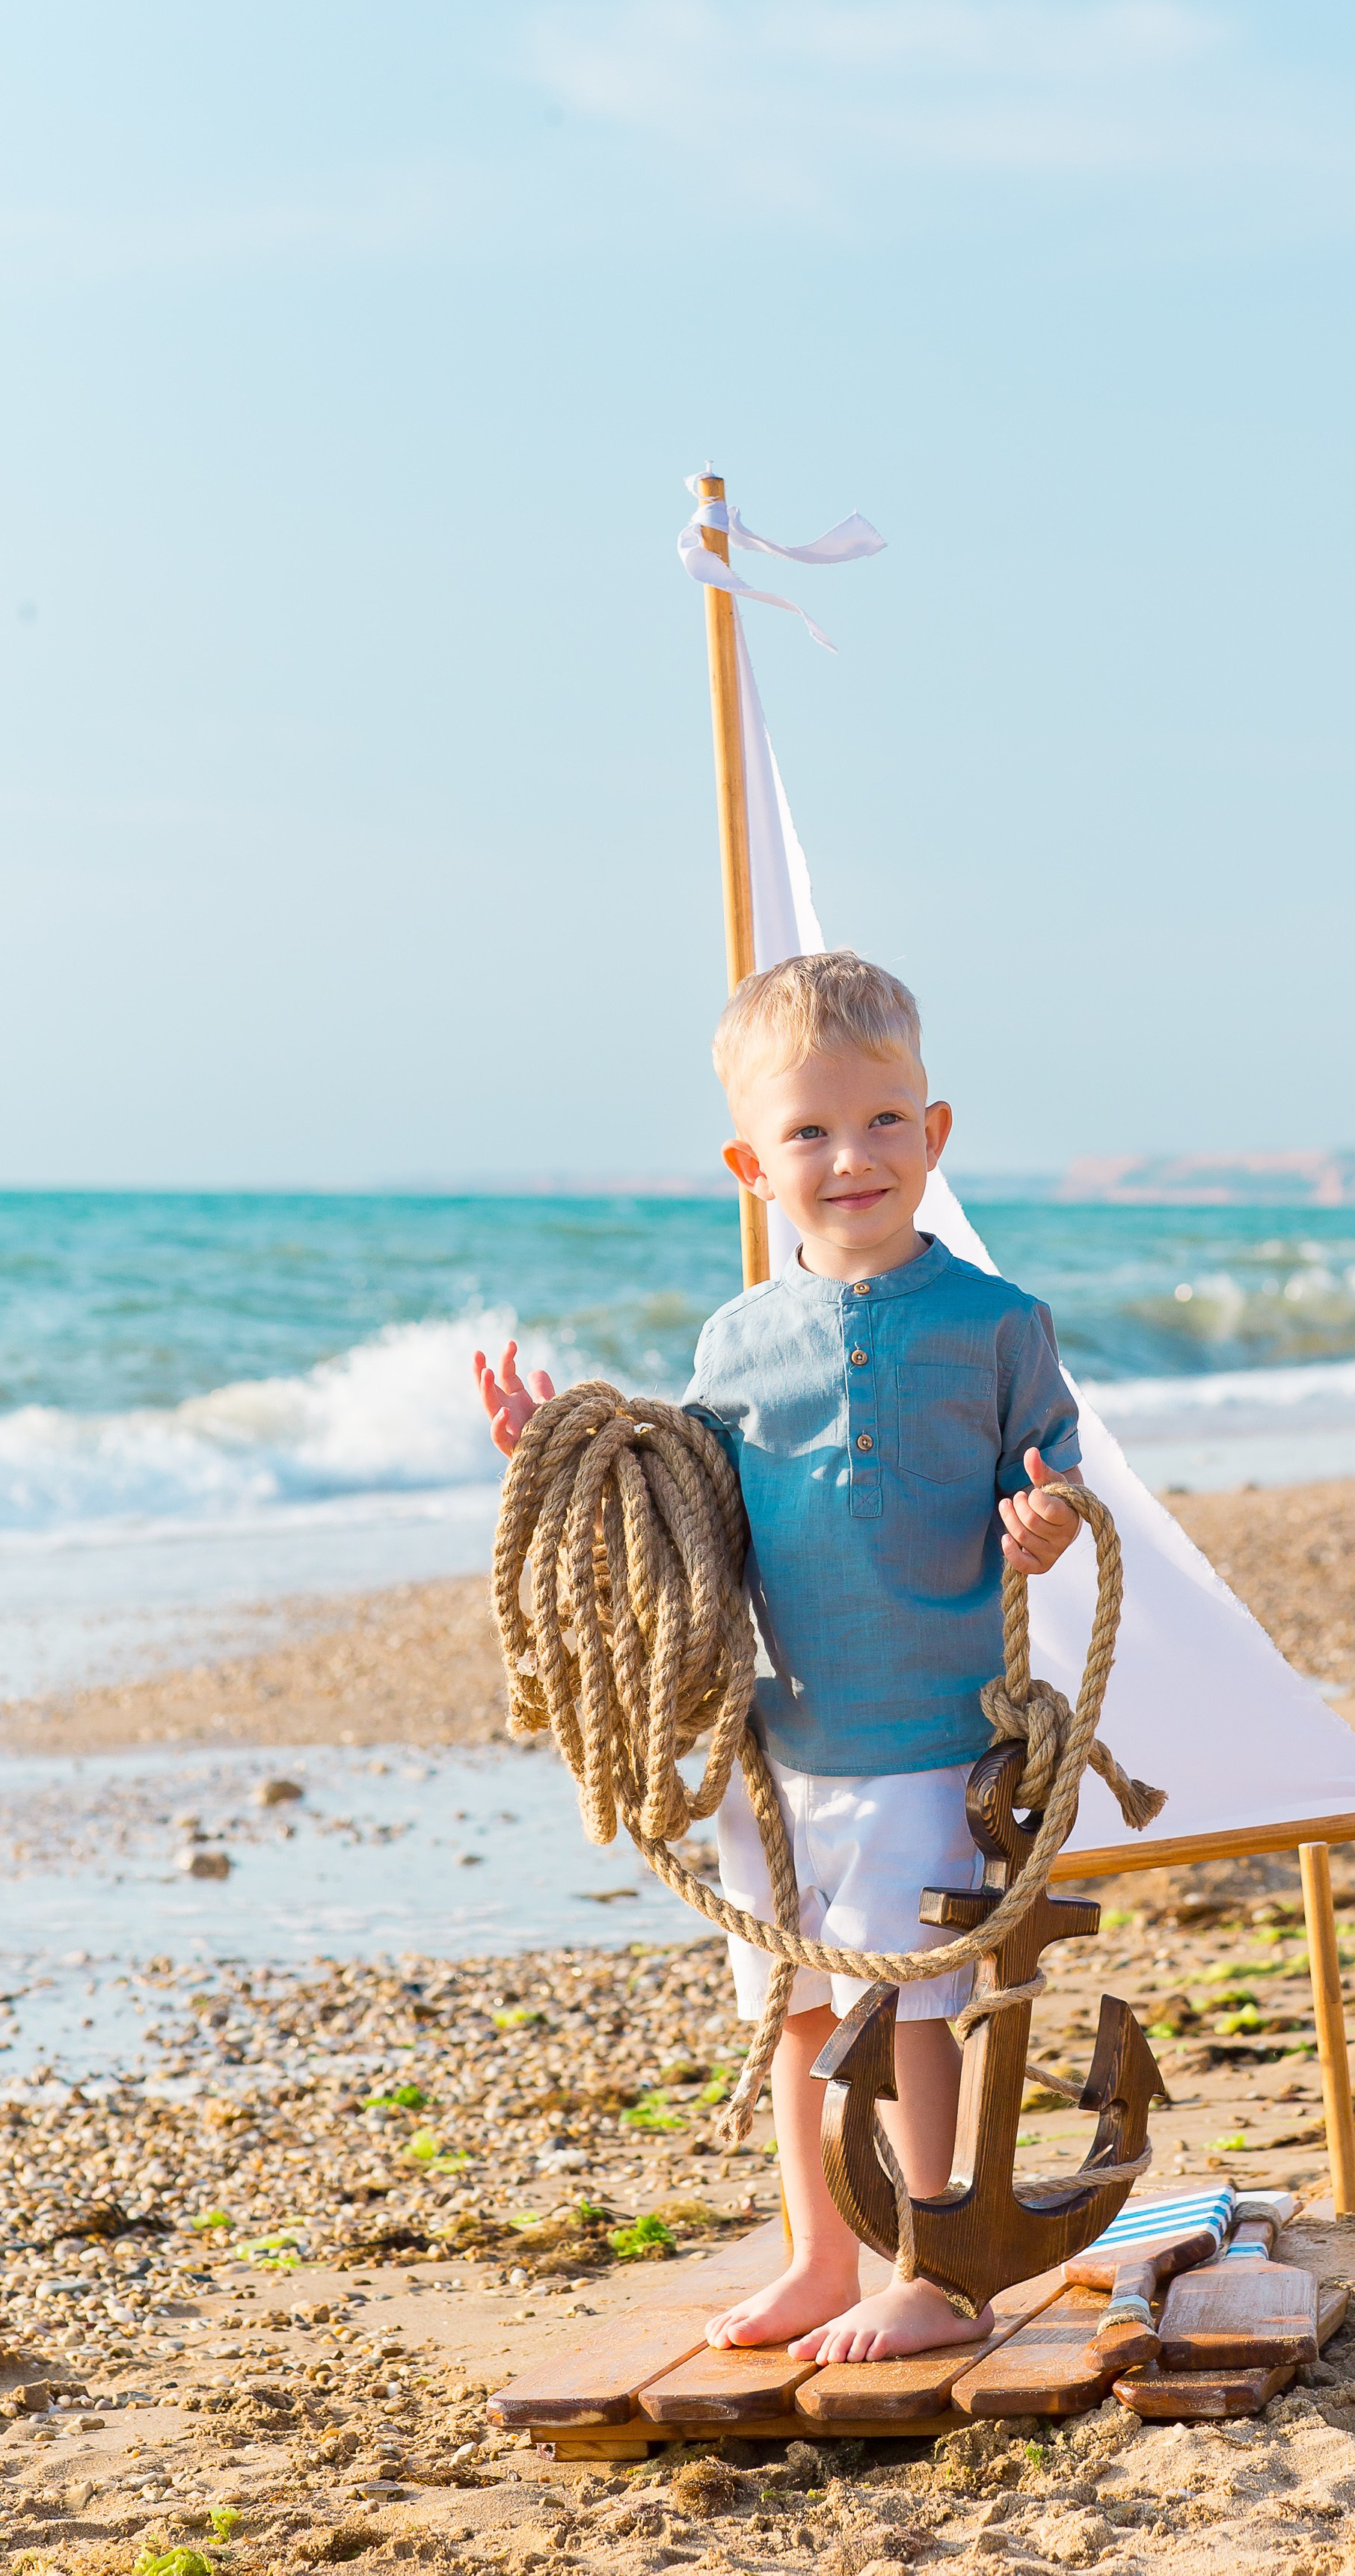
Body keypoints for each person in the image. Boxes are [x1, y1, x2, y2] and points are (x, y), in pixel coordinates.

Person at [474, 951, 1084, 2364]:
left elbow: (1050, 1479)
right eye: (808, 1131)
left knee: (910, 2010)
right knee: (798, 2006)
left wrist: (1044, 1520)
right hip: (781, 1744)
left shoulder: (996, 1323)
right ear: (752, 1166)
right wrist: (551, 1462)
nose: (849, 1157)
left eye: (881, 1121)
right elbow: (679, 1506)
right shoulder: (738, 1339)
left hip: (932, 1740)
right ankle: (819, 2256)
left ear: (932, 1134)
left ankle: (932, 2266)